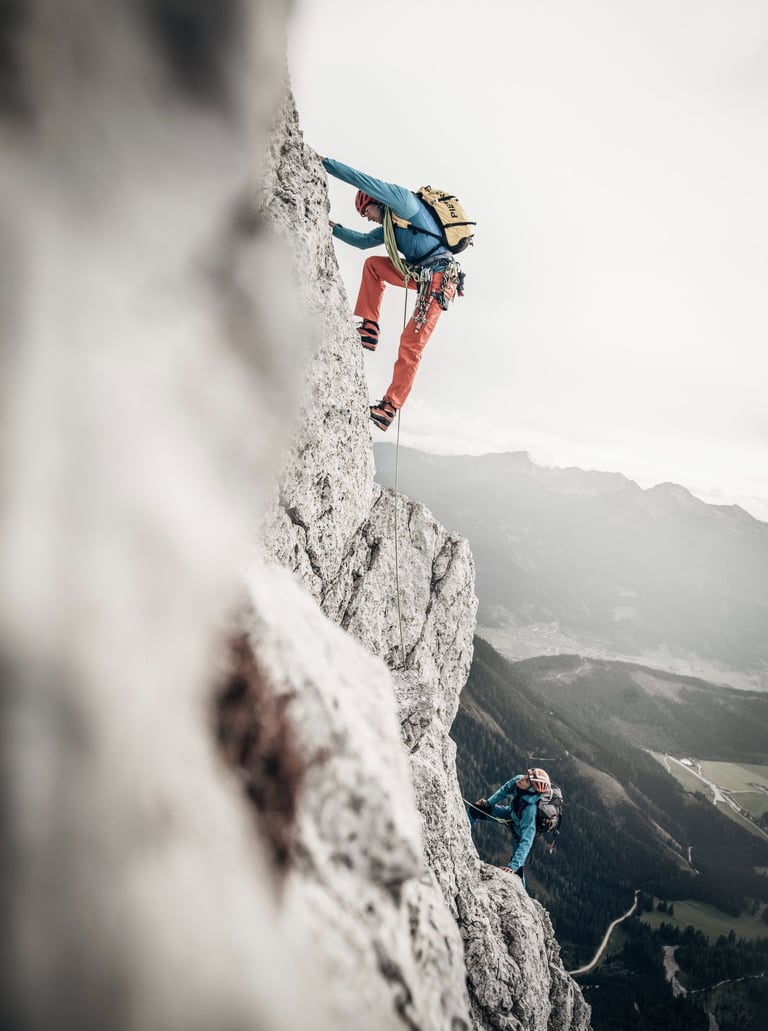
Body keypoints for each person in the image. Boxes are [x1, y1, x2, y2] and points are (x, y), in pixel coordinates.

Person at [320, 155, 463, 431]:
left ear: (374, 201)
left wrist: (325, 163)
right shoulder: (391, 228)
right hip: (421, 275)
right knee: (374, 266)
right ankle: (369, 328)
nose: (367, 219)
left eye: (366, 213)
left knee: (412, 343)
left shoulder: (402, 203)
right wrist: (333, 228)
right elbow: (362, 243)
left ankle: (389, 407)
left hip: (440, 277)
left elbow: (361, 179)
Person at [469, 768, 552, 889]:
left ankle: (522, 895)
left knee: (517, 870)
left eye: (527, 780)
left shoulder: (530, 811)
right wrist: (488, 803)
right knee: (476, 810)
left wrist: (513, 866)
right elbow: (503, 791)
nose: (522, 778)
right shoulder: (517, 781)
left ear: (531, 789)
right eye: (525, 775)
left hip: (520, 829)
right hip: (511, 813)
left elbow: (526, 841)